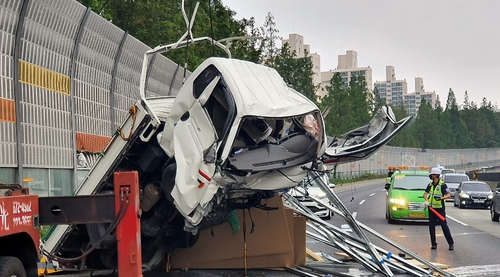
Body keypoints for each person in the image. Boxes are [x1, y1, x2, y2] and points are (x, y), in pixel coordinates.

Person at [423, 167, 455, 251]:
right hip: (431, 209)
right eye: (431, 174)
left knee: (444, 226)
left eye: (432, 174)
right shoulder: (430, 184)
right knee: (431, 227)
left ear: (436, 175)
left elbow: (448, 195)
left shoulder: (442, 185)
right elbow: (425, 194)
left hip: (440, 209)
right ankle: (433, 244)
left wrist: (441, 198)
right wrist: (426, 201)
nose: (431, 176)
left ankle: (451, 243)